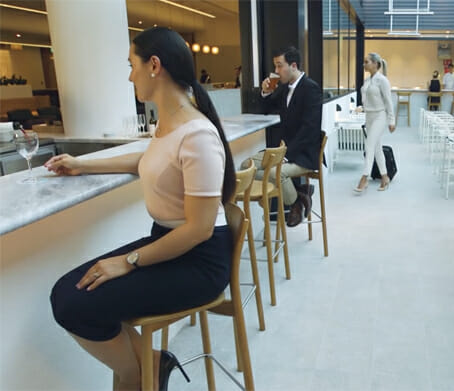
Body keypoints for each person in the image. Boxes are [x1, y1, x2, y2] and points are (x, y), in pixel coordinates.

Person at [46, 27, 235, 391]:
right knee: (65, 293)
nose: (129, 75)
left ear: (154, 65)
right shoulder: (169, 121)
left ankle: (137, 374)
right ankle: (150, 365)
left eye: (131, 65)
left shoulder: (198, 133)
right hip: (168, 244)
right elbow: (147, 160)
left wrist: (127, 260)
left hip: (198, 261)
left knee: (74, 304)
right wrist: (83, 165)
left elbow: (199, 229)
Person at [258, 46, 321, 227]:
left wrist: (286, 155)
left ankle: (296, 203)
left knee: (272, 173)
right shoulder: (285, 89)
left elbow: (310, 130)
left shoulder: (311, 89)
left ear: (293, 65)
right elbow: (266, 109)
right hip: (285, 150)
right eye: (275, 67)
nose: (276, 71)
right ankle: (300, 194)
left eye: (279, 66)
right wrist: (266, 92)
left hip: (303, 154)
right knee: (247, 165)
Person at [354, 52, 395, 193]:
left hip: (380, 116)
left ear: (375, 64)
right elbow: (368, 100)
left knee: (369, 145)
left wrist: (391, 120)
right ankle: (385, 177)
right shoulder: (367, 81)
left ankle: (364, 177)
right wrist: (362, 107)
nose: (364, 64)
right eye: (364, 62)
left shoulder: (382, 80)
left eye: (367, 62)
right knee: (376, 149)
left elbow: (388, 101)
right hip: (369, 116)